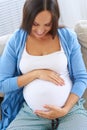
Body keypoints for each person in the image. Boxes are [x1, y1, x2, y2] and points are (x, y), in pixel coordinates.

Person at [0, 0, 87, 129]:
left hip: (69, 112)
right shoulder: (16, 40)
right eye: (35, 24)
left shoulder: (67, 37)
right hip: (31, 115)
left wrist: (65, 109)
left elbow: (81, 78)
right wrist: (36, 74)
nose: (41, 31)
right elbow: (2, 85)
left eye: (47, 24)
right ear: (27, 18)